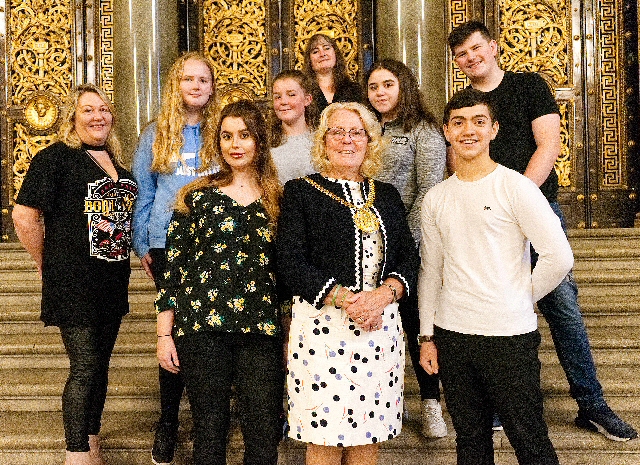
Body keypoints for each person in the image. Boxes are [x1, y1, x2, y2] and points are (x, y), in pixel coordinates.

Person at [447, 20, 637, 442]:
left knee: (563, 309)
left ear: (493, 47)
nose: (470, 57)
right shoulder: (461, 103)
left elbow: (548, 145)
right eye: (461, 54)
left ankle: (592, 405)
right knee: (492, 309)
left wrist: (518, 201)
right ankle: (500, 402)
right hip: (485, 217)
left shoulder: (528, 85)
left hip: (534, 208)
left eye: (476, 48)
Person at [419, 88, 573, 464]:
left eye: (478, 121)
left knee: (530, 440)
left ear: (494, 129)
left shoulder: (515, 187)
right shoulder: (436, 197)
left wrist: (520, 296)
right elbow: (431, 270)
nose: (468, 130)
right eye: (458, 122)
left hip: (508, 336)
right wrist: (427, 335)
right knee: (470, 442)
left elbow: (559, 256)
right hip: (453, 335)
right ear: (446, 131)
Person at [277, 102, 420, 465]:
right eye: (336, 132)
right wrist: (348, 300)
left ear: (370, 141)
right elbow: (290, 263)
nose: (347, 140)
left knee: (367, 438)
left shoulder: (386, 195)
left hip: (379, 329)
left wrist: (383, 295)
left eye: (356, 132)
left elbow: (408, 258)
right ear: (323, 141)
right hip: (323, 331)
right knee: (323, 437)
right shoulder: (301, 192)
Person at [12, 84, 138, 465]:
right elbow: (24, 215)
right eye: (87, 110)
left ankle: (91, 438)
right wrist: (45, 263)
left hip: (111, 281)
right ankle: (76, 453)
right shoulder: (55, 159)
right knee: (84, 366)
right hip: (73, 280)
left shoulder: (118, 163)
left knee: (99, 366)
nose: (97, 116)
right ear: (72, 118)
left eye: (103, 109)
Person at [155, 100, 284, 465]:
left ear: (259, 140)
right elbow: (174, 271)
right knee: (209, 434)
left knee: (262, 436)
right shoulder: (196, 196)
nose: (235, 144)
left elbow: (285, 275)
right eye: (226, 136)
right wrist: (165, 334)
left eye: (244, 135)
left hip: (261, 329)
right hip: (201, 328)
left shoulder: (279, 199)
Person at [131, 51, 218, 464]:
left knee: (205, 336)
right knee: (173, 332)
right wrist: (142, 243)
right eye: (188, 79)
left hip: (218, 243)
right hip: (167, 243)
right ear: (175, 85)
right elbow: (143, 193)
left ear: (212, 86)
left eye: (203, 79)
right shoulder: (155, 134)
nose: (196, 86)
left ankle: (207, 420)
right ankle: (167, 422)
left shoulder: (223, 130)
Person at [366, 58, 448, 438]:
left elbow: (428, 189)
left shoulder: (423, 130)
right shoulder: (365, 128)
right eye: (374, 87)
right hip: (365, 243)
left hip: (408, 244)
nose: (380, 93)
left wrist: (403, 243)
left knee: (417, 324)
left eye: (387, 85)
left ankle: (431, 403)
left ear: (403, 86)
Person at [270, 69, 317, 183]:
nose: (283, 102)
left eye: (291, 95)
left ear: (307, 99)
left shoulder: (321, 140)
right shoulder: (266, 142)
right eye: (278, 97)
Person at [303, 33, 363, 115]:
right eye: (315, 51)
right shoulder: (304, 92)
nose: (322, 54)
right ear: (309, 60)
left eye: (327, 48)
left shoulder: (354, 89)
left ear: (336, 54)